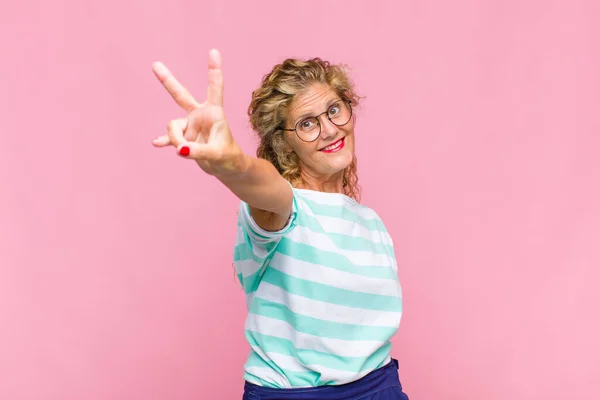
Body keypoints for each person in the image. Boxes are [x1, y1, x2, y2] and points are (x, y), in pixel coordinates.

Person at [151, 49, 409, 400]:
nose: (330, 128)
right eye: (307, 123)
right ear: (283, 142)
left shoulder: (370, 222)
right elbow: (259, 182)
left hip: (379, 388)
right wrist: (230, 161)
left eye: (334, 110)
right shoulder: (283, 208)